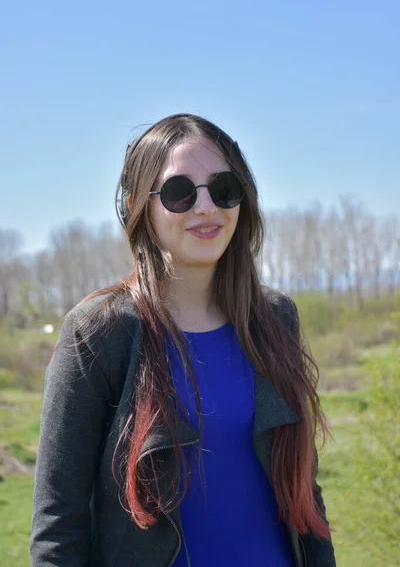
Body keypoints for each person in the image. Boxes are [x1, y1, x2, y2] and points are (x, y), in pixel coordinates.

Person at [31, 113, 336, 567]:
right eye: (179, 193)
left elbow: (303, 491)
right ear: (139, 206)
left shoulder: (275, 319)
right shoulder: (100, 332)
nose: (206, 208)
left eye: (223, 189)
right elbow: (59, 524)